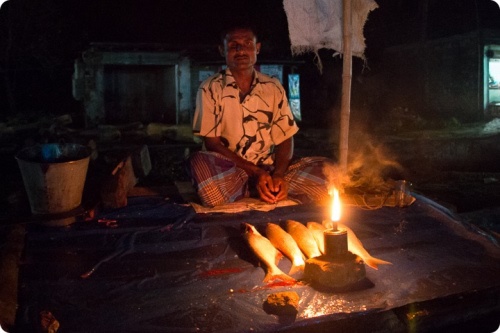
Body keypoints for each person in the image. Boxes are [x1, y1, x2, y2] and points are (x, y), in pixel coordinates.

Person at [188, 24, 333, 207]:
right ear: (221, 50)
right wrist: (256, 173)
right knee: (199, 164)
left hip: (269, 170)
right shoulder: (210, 88)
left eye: (247, 44)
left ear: (257, 48)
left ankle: (268, 190)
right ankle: (259, 191)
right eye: (233, 45)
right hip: (232, 171)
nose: (240, 50)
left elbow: (285, 138)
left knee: (329, 172)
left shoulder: (273, 87)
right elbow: (212, 143)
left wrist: (279, 175)